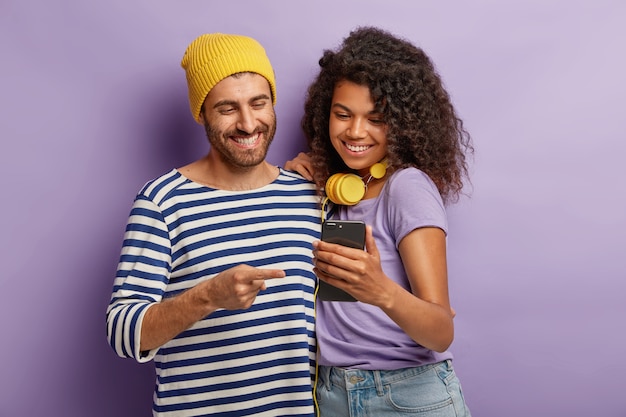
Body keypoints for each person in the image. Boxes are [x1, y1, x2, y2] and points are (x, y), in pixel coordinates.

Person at [106, 33, 322, 417]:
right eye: (227, 108)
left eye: (259, 102)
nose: (248, 123)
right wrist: (207, 296)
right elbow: (122, 333)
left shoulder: (308, 194)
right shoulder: (162, 201)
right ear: (201, 113)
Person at [290, 26, 473, 416]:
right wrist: (295, 182)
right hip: (332, 395)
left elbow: (440, 331)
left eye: (376, 119)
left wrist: (380, 290)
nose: (356, 131)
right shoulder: (334, 190)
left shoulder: (406, 188)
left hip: (405, 395)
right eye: (343, 114)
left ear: (404, 123)